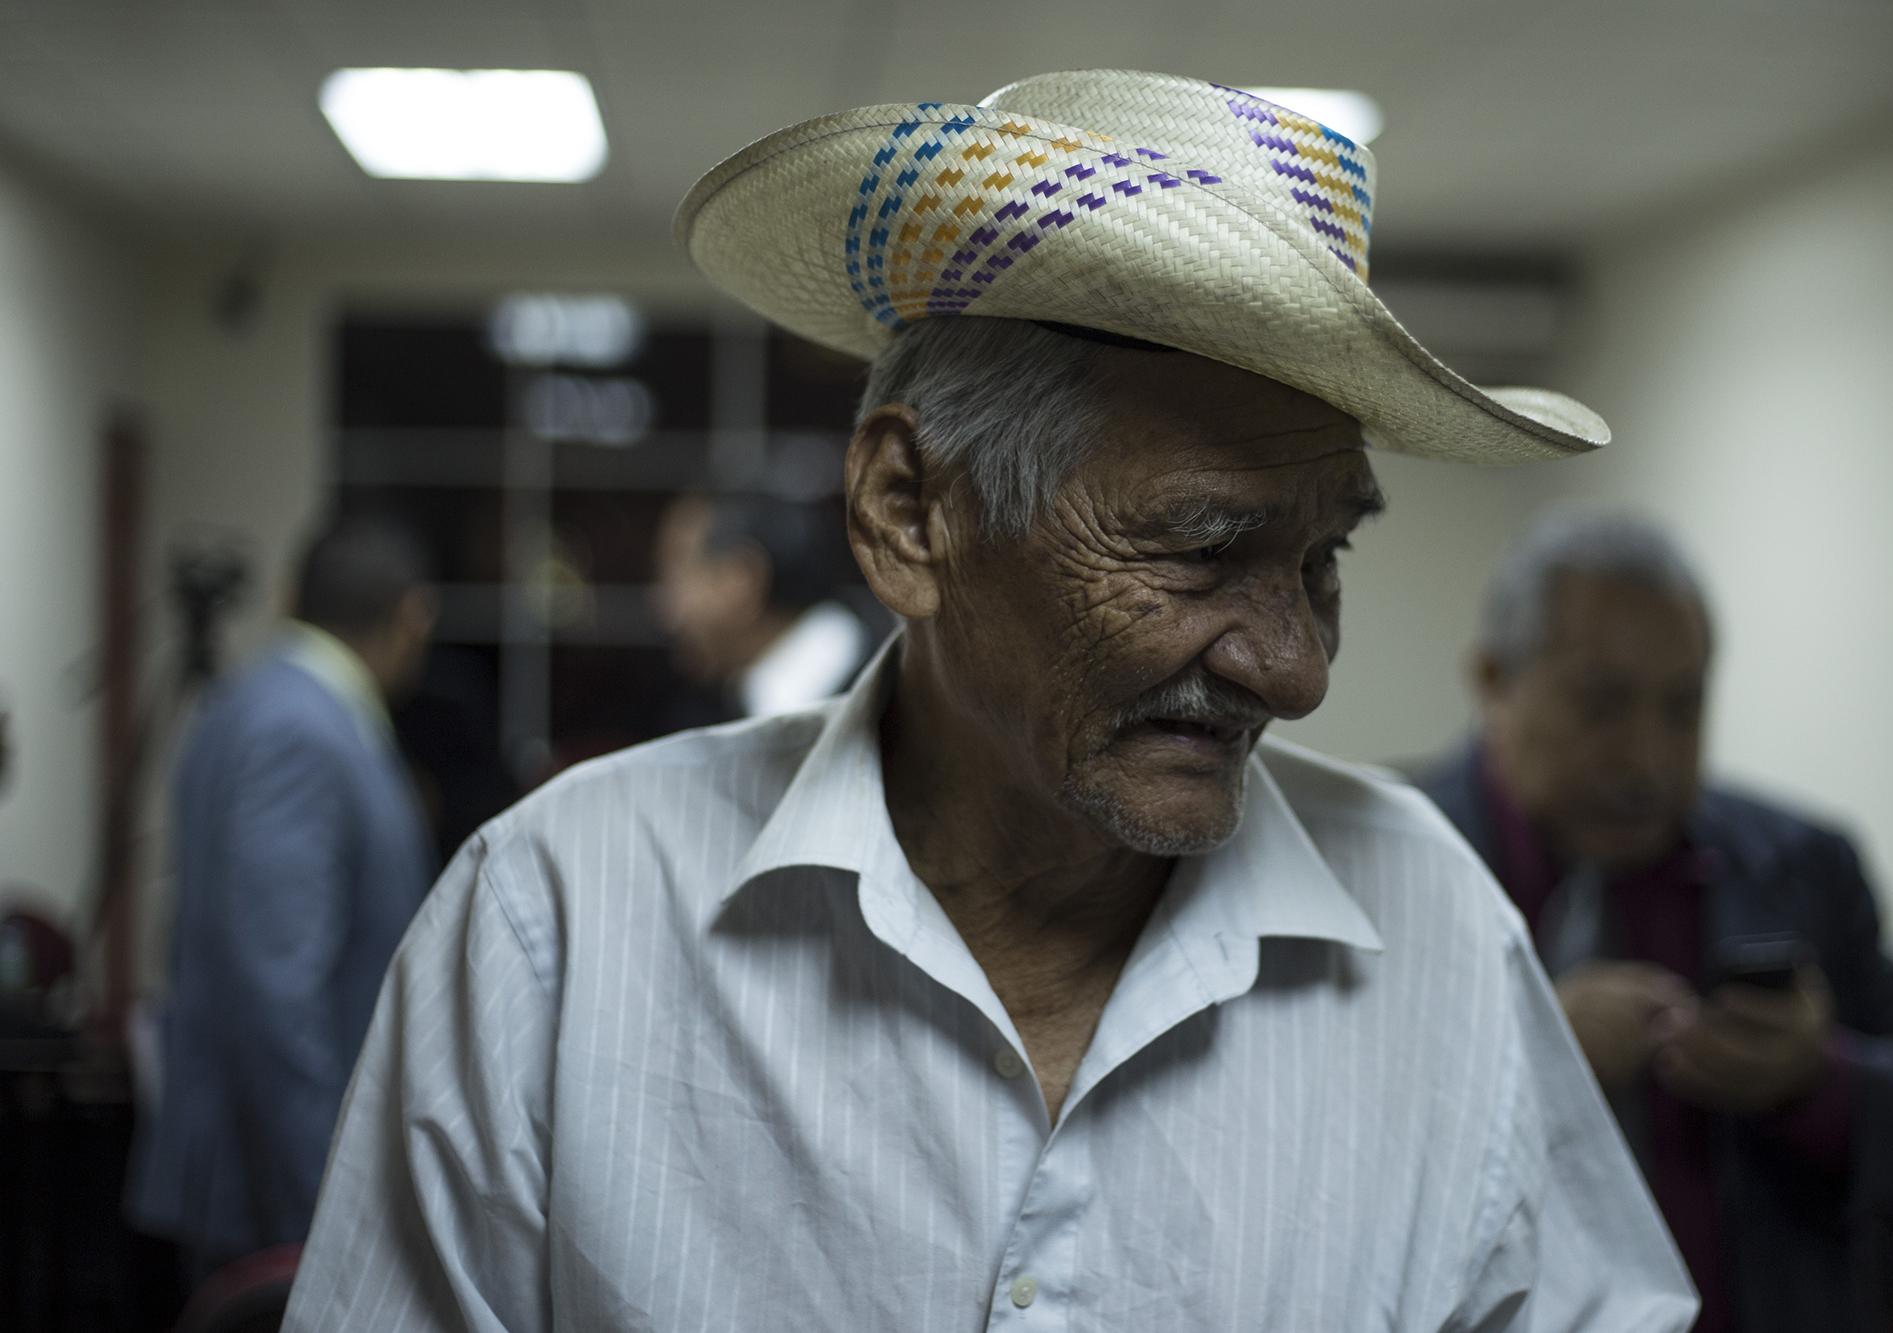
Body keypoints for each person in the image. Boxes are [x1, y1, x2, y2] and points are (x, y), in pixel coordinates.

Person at [285, 72, 1697, 1329]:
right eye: (1202, 550)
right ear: (909, 513)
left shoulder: (1431, 929)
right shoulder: (560, 921)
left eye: (1320, 558)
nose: (1296, 667)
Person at [1414, 509, 1893, 1333]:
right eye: (1603, 704)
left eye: (1682, 709)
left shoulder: (1807, 865)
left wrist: (1817, 1080)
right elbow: (1318, 1184)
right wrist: (1528, 1063)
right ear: (1493, 679)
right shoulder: (1374, 865)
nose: (1648, 757)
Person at [129, 516, 438, 1283]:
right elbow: (276, 986)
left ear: (292, 596)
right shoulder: (299, 727)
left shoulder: (259, 702)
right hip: (272, 1187)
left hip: (261, 1170)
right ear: (411, 614)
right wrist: (324, 1203)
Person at [652, 492, 879, 718]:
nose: (668, 613)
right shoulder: (755, 701)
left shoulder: (890, 698)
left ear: (740, 582)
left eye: (679, 577)